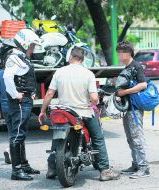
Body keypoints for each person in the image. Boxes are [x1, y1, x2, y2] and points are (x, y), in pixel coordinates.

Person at [38, 46, 120, 181]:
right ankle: (105, 170)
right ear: (83, 59)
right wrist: (95, 99)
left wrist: (42, 111)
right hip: (83, 112)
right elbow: (94, 98)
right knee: (98, 137)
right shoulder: (88, 74)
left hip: (64, 112)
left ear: (70, 57)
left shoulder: (59, 72)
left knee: (57, 136)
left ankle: (52, 167)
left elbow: (49, 94)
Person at [3, 29, 41, 181]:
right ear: (25, 44)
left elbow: (25, 78)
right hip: (19, 102)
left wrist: (30, 93)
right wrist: (15, 94)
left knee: (21, 134)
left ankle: (23, 165)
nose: (33, 48)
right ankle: (16, 170)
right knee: (17, 135)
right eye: (32, 45)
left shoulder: (22, 57)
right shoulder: (14, 57)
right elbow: (7, 77)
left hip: (24, 100)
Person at [116, 41, 150, 179]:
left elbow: (143, 84)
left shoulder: (136, 66)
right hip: (128, 108)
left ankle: (144, 167)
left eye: (120, 52)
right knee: (130, 138)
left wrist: (125, 92)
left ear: (127, 53)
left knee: (137, 137)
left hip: (135, 108)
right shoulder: (127, 66)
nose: (118, 55)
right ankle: (136, 164)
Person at [0, 69, 11, 164]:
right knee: (18, 131)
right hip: (15, 107)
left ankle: (11, 151)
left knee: (11, 130)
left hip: (4, 107)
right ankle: (10, 150)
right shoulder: (16, 73)